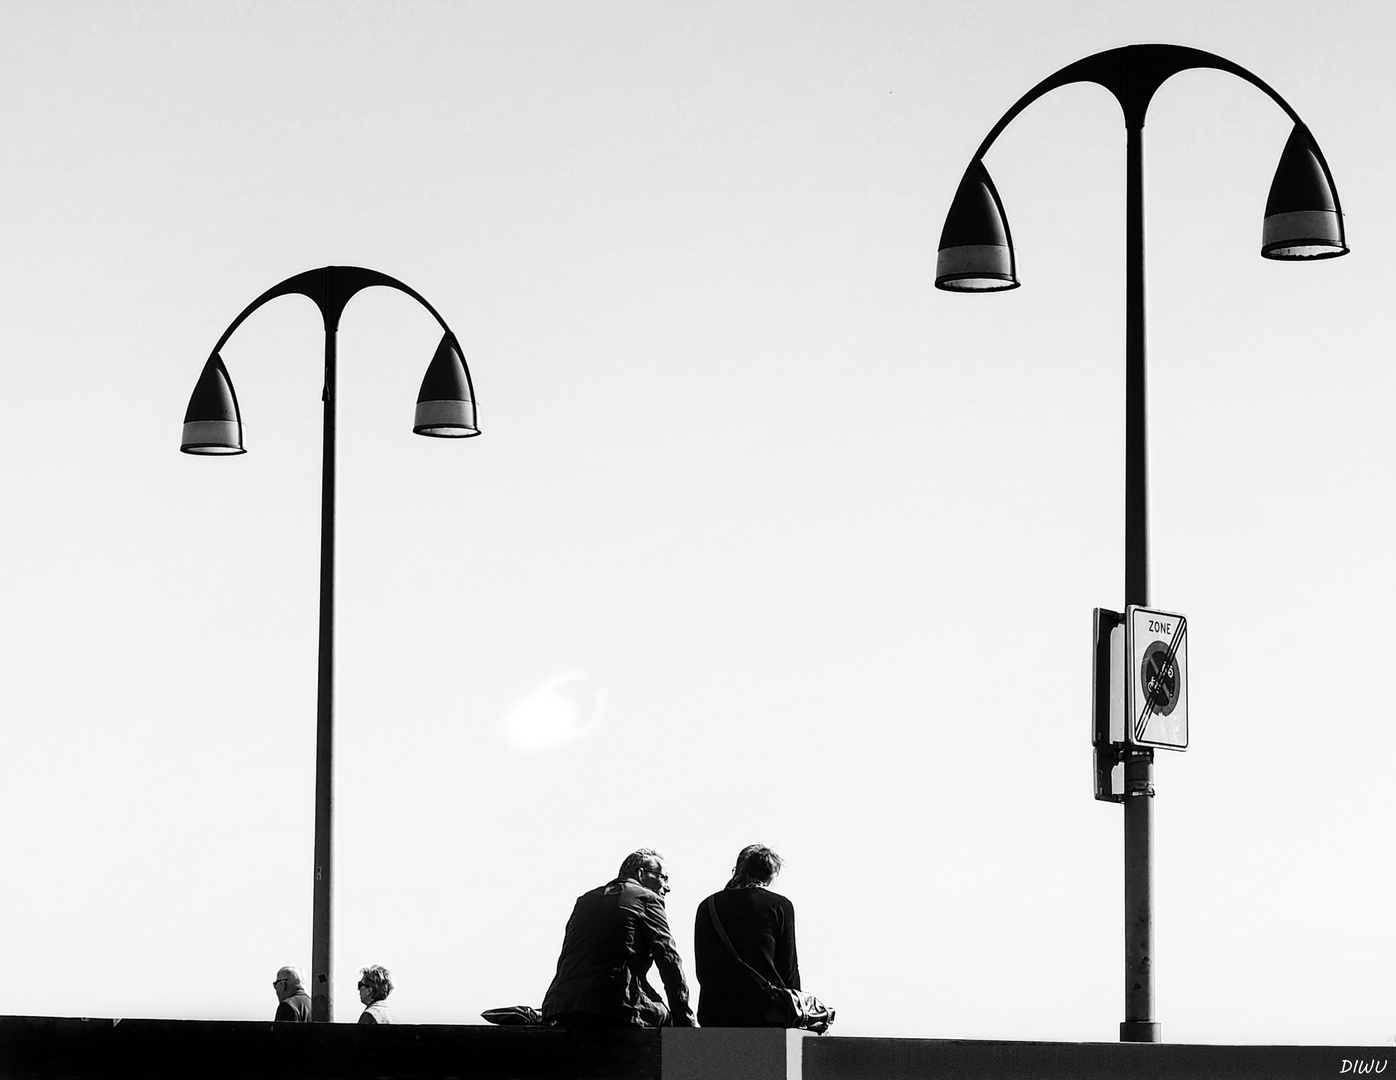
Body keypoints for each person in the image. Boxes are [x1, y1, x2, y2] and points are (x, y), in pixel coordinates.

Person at [541, 848, 696, 1028]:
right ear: (642, 874)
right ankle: (702, 1056)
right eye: (663, 878)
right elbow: (670, 961)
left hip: (561, 1005)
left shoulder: (585, 900)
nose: (667, 888)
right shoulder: (647, 898)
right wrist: (686, 1023)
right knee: (670, 1025)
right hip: (614, 1005)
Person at [692, 844, 800, 1027]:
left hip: (716, 1013)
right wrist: (795, 1008)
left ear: (738, 869)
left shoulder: (708, 906)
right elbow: (788, 967)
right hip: (766, 1015)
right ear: (771, 874)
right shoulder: (779, 906)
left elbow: (702, 969)